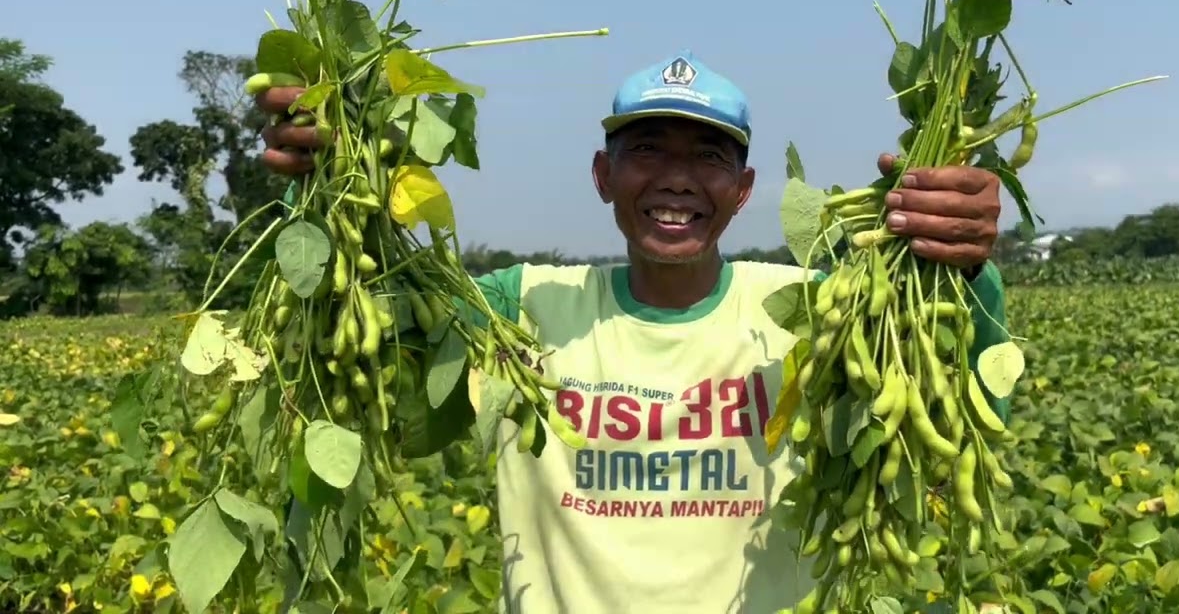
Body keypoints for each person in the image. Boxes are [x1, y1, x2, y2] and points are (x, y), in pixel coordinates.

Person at [257, 49, 1011, 613]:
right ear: (602, 176)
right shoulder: (515, 306)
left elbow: (945, 442)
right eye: (647, 150)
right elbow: (365, 343)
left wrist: (964, 268)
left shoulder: (818, 312)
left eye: (709, 156)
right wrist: (328, 190)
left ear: (744, 191)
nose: (676, 177)